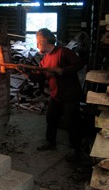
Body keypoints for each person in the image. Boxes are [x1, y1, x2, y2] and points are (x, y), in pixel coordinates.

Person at [26, 28, 85, 158]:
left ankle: (76, 149)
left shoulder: (63, 52)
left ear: (45, 41)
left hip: (70, 95)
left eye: (38, 42)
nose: (36, 45)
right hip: (56, 95)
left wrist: (62, 71)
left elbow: (79, 64)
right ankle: (50, 142)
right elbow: (40, 77)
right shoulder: (45, 60)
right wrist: (27, 74)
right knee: (51, 119)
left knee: (72, 122)